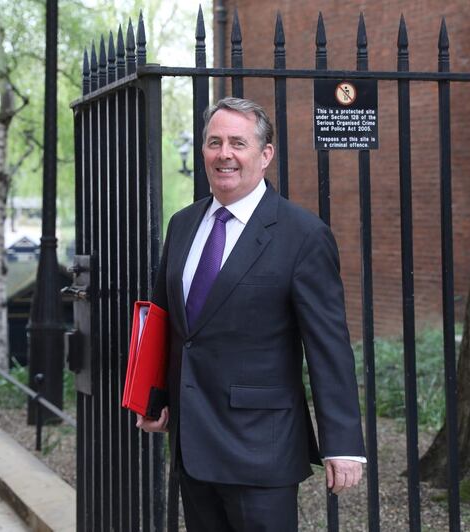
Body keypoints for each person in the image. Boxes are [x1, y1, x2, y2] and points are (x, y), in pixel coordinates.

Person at [137, 97, 365, 531]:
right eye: (214, 142)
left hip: (261, 449)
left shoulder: (303, 235)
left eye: (238, 143)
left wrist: (344, 444)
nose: (224, 154)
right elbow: (167, 321)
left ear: (265, 156)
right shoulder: (183, 225)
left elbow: (327, 345)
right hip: (192, 443)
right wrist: (154, 397)